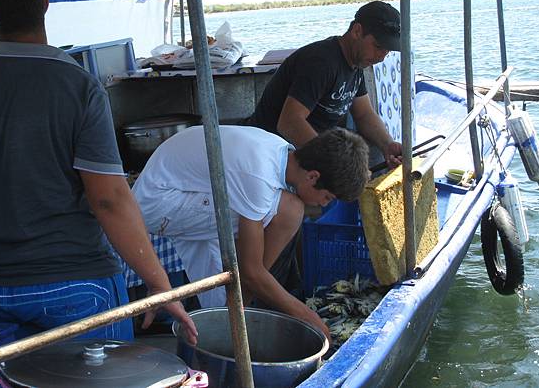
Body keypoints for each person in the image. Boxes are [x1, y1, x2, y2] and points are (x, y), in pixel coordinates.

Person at [0, 0, 196, 343]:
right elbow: (109, 200)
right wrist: (159, 284)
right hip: (75, 285)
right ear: (45, 4)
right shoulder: (78, 86)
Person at [132, 125, 370, 339]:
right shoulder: (259, 175)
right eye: (327, 197)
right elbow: (251, 270)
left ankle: (233, 313)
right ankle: (237, 309)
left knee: (286, 211)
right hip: (158, 201)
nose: (324, 204)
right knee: (282, 213)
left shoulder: (281, 153)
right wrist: (310, 318)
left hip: (189, 192)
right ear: (313, 176)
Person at [245, 0, 403, 168]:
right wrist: (328, 162)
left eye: (387, 50)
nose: (381, 57)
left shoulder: (356, 63)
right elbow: (289, 123)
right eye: (378, 46)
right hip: (274, 148)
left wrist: (388, 145)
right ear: (357, 31)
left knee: (378, 152)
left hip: (316, 141)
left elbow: (364, 114)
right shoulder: (322, 63)